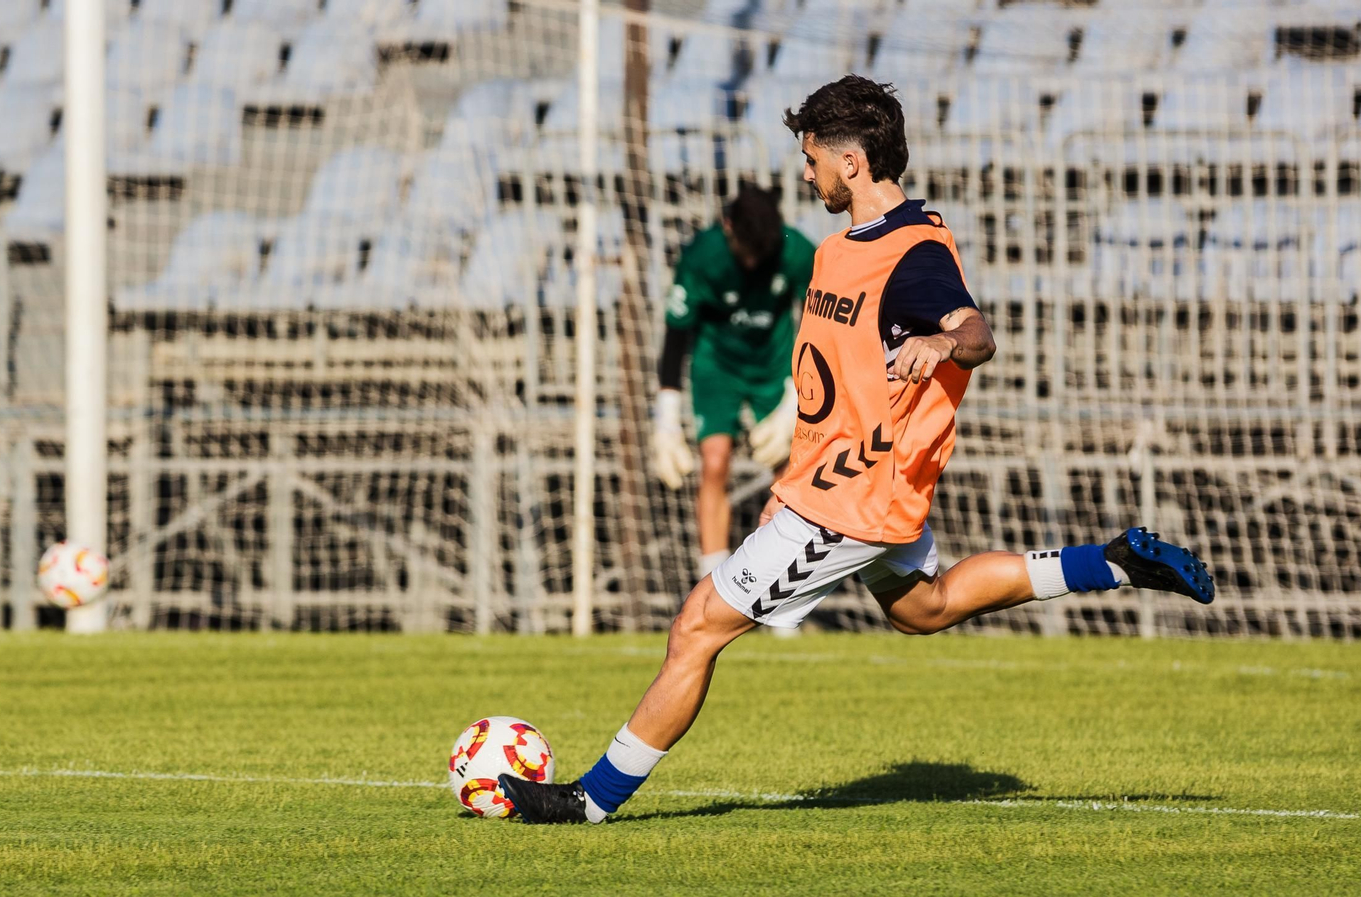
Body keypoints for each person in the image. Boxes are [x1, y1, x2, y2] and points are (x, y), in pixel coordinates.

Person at [500, 75, 1215, 825]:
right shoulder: (839, 250)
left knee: (696, 625)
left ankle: (589, 800)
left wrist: (941, 341)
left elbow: (978, 333)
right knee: (925, 608)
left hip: (851, 499)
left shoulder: (913, 252)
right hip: (845, 481)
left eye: (811, 159)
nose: (804, 173)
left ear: (851, 163)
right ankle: (1113, 561)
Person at [653, 185, 817, 582]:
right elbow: (676, 333)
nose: (754, 260)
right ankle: (712, 581)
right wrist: (666, 417)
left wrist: (797, 394)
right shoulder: (701, 255)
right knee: (714, 462)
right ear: (728, 228)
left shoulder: (797, 251)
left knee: (788, 470)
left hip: (775, 365)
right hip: (717, 367)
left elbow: (822, 323)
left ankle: (778, 582)